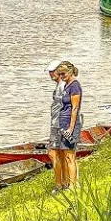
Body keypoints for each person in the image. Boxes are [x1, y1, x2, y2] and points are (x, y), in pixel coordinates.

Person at [54, 62, 82, 190]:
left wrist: (71, 128)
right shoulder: (66, 85)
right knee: (65, 154)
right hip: (63, 123)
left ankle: (73, 185)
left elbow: (75, 108)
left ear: (70, 72)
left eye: (63, 74)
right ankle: (68, 183)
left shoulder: (75, 86)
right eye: (59, 74)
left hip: (70, 124)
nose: (61, 76)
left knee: (70, 155)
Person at [46, 60, 66, 192]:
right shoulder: (60, 85)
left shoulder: (62, 86)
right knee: (60, 154)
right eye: (50, 71)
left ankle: (59, 185)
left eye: (53, 71)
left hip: (59, 124)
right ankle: (64, 182)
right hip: (56, 123)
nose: (51, 74)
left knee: (53, 153)